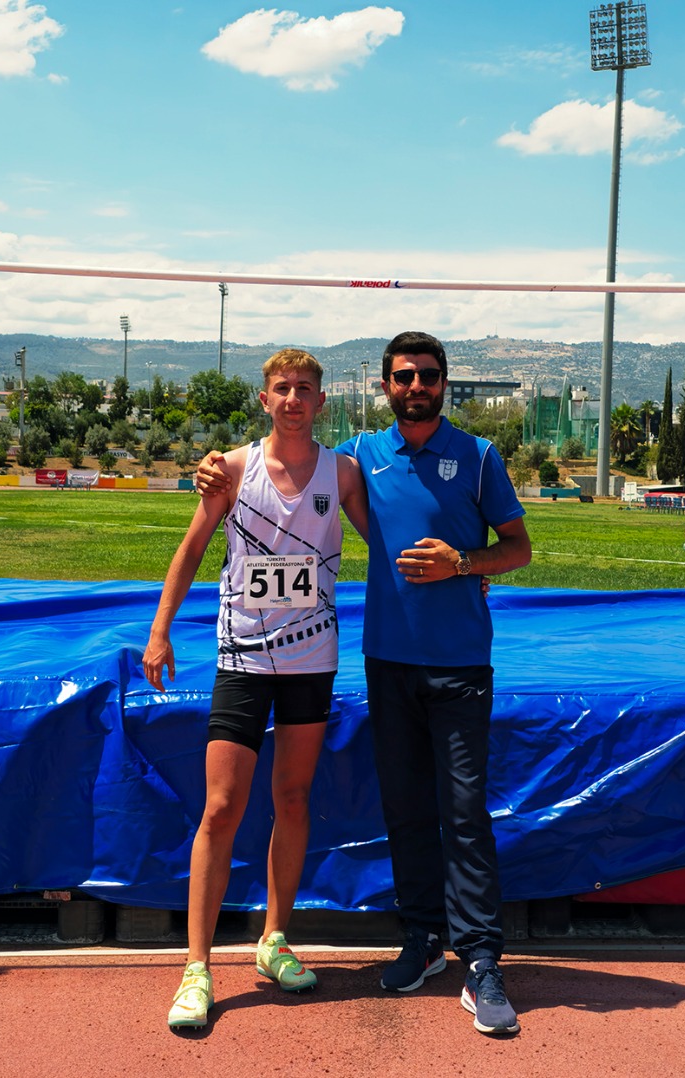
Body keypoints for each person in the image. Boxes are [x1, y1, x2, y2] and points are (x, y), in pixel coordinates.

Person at [195, 330, 532, 1036]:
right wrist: (212, 469)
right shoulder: (358, 459)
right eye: (404, 375)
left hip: (461, 665)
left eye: (429, 375)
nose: (417, 385)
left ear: (445, 383)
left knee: (464, 815)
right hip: (387, 660)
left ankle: (480, 960)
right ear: (385, 386)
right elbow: (288, 460)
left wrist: (464, 562)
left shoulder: (478, 458)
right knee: (407, 810)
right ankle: (421, 943)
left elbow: (519, 547)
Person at [144, 348, 369, 1031]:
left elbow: (387, 551)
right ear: (264, 400)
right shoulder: (234, 470)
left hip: (310, 659)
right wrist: (160, 632)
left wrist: (459, 570)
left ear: (322, 402)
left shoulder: (344, 473)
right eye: (282, 388)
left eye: (305, 389)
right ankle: (197, 967)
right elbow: (191, 547)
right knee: (221, 807)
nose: (294, 398)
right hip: (242, 659)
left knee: (293, 797)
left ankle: (273, 940)